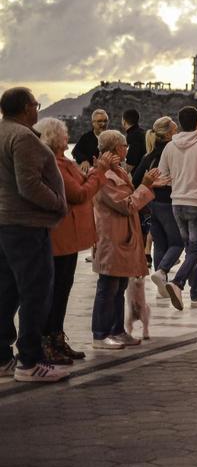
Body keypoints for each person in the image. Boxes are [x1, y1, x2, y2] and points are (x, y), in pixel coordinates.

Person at [0, 88, 69, 383]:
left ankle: (2, 358)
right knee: (35, 292)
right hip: (26, 226)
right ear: (27, 108)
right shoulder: (24, 137)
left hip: (6, 223)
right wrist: (58, 203)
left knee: (7, 290)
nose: (37, 110)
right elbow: (28, 185)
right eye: (36, 104)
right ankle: (30, 361)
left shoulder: (3, 132)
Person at [36, 117, 109, 364]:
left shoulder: (65, 162)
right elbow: (79, 193)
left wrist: (92, 175)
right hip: (60, 236)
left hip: (69, 235)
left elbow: (82, 186)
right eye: (65, 134)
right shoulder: (54, 164)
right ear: (55, 138)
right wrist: (99, 173)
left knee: (63, 289)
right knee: (55, 291)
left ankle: (57, 338)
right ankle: (48, 342)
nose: (68, 137)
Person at [90, 130, 159, 350]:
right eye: (124, 146)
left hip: (122, 236)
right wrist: (146, 186)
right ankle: (100, 334)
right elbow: (126, 205)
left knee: (118, 284)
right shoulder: (103, 176)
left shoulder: (117, 171)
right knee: (108, 285)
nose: (127, 149)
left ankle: (117, 330)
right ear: (113, 150)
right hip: (111, 237)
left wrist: (148, 185)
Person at [158, 106, 197, 309]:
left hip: (177, 203)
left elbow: (162, 175)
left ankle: (196, 293)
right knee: (195, 251)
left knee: (190, 249)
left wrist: (178, 181)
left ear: (179, 123)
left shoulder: (169, 147)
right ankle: (178, 283)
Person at [138, 118, 185, 301]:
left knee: (160, 243)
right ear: (167, 134)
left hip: (152, 204)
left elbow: (135, 180)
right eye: (175, 129)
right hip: (168, 202)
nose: (178, 131)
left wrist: (149, 184)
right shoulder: (172, 152)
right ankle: (162, 271)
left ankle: (162, 290)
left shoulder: (149, 155)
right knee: (178, 242)